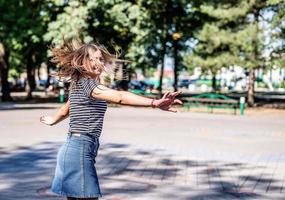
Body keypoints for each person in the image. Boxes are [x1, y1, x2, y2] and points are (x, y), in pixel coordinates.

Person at [40, 39, 182, 200]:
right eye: (93, 58)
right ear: (81, 62)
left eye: (101, 59)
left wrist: (53, 120)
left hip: (76, 147)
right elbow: (120, 97)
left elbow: (66, 109)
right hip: (79, 149)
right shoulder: (88, 85)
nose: (98, 62)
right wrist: (154, 103)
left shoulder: (80, 84)